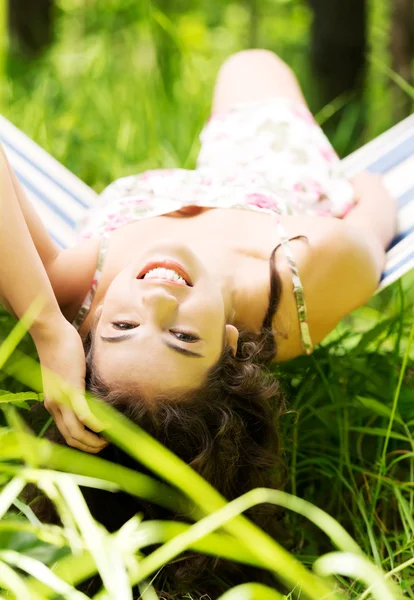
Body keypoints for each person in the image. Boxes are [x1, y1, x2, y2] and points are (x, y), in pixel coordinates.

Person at [1, 49, 396, 462]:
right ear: (230, 345)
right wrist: (370, 189)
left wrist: (46, 328)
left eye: (123, 324)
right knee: (252, 64)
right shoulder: (306, 272)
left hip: (146, 200)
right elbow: (371, 228)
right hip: (264, 180)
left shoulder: (69, 293)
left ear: (94, 323)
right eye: (183, 337)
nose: (155, 299)